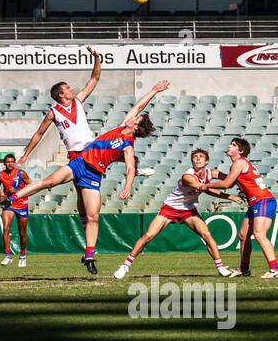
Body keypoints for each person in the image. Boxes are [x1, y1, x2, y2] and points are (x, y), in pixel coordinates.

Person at [10, 80, 169, 274]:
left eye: (137, 118)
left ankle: (90, 255)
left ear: (136, 125)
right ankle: (12, 199)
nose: (134, 116)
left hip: (94, 171)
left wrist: (128, 185)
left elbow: (128, 167)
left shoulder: (128, 143)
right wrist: (153, 90)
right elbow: (138, 105)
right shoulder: (121, 127)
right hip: (81, 161)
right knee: (50, 182)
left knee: (94, 215)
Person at [113, 149, 241, 279]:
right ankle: (125, 265)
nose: (197, 159)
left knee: (207, 235)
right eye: (195, 157)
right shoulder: (188, 176)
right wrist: (229, 195)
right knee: (148, 236)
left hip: (189, 209)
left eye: (201, 157)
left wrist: (239, 181)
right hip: (170, 208)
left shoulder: (212, 172)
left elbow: (231, 180)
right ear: (192, 161)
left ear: (207, 161)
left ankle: (220, 267)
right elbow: (204, 188)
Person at [18, 47, 103, 233]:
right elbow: (39, 134)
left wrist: (96, 58)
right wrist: (26, 154)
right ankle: (84, 221)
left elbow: (94, 79)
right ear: (60, 95)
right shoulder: (53, 112)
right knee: (80, 190)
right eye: (67, 88)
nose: (72, 89)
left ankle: (134, 170)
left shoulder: (78, 101)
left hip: (91, 151)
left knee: (92, 189)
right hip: (74, 154)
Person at [200, 138, 278, 278]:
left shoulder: (239, 162)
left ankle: (275, 270)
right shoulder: (238, 164)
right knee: (243, 236)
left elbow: (226, 184)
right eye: (230, 144)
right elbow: (231, 184)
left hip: (263, 200)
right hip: (256, 202)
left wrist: (206, 185)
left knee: (259, 234)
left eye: (233, 145)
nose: (229, 146)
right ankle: (244, 269)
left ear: (240, 151)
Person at [0, 153, 31, 267]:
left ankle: (23, 256)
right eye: (7, 162)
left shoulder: (21, 173)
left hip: (21, 204)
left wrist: (17, 190)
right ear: (4, 163)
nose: (10, 163)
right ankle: (8, 255)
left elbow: (31, 186)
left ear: (14, 162)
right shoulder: (0, 175)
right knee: (5, 228)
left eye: (12, 161)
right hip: (9, 204)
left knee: (22, 232)